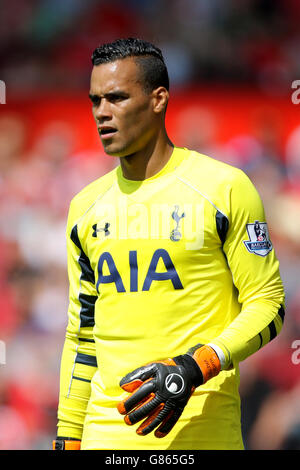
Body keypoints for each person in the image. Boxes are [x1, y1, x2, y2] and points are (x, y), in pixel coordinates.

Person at [53, 38, 285, 451]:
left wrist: (197, 366)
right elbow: (82, 335)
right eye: (95, 101)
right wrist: (68, 436)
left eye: (117, 98)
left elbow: (269, 305)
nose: (102, 113)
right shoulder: (84, 208)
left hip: (202, 433)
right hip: (103, 436)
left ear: (158, 99)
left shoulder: (225, 188)